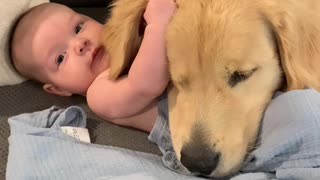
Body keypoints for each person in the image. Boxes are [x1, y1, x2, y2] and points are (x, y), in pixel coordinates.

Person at [10, 1, 176, 132]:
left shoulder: (131, 40)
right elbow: (146, 86)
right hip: (192, 137)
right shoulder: (98, 94)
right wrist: (157, 25)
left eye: (78, 28)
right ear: (59, 89)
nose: (79, 44)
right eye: (60, 58)